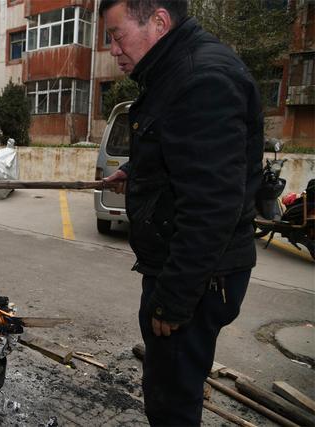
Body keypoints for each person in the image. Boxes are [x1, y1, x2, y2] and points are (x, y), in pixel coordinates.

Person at [99, 1, 263, 425]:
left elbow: (212, 206)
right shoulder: (175, 72)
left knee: (172, 399)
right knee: (168, 384)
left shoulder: (201, 78)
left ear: (158, 21)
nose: (113, 49)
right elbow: (185, 149)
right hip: (185, 269)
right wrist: (135, 171)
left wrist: (171, 302)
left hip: (196, 277)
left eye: (117, 35)